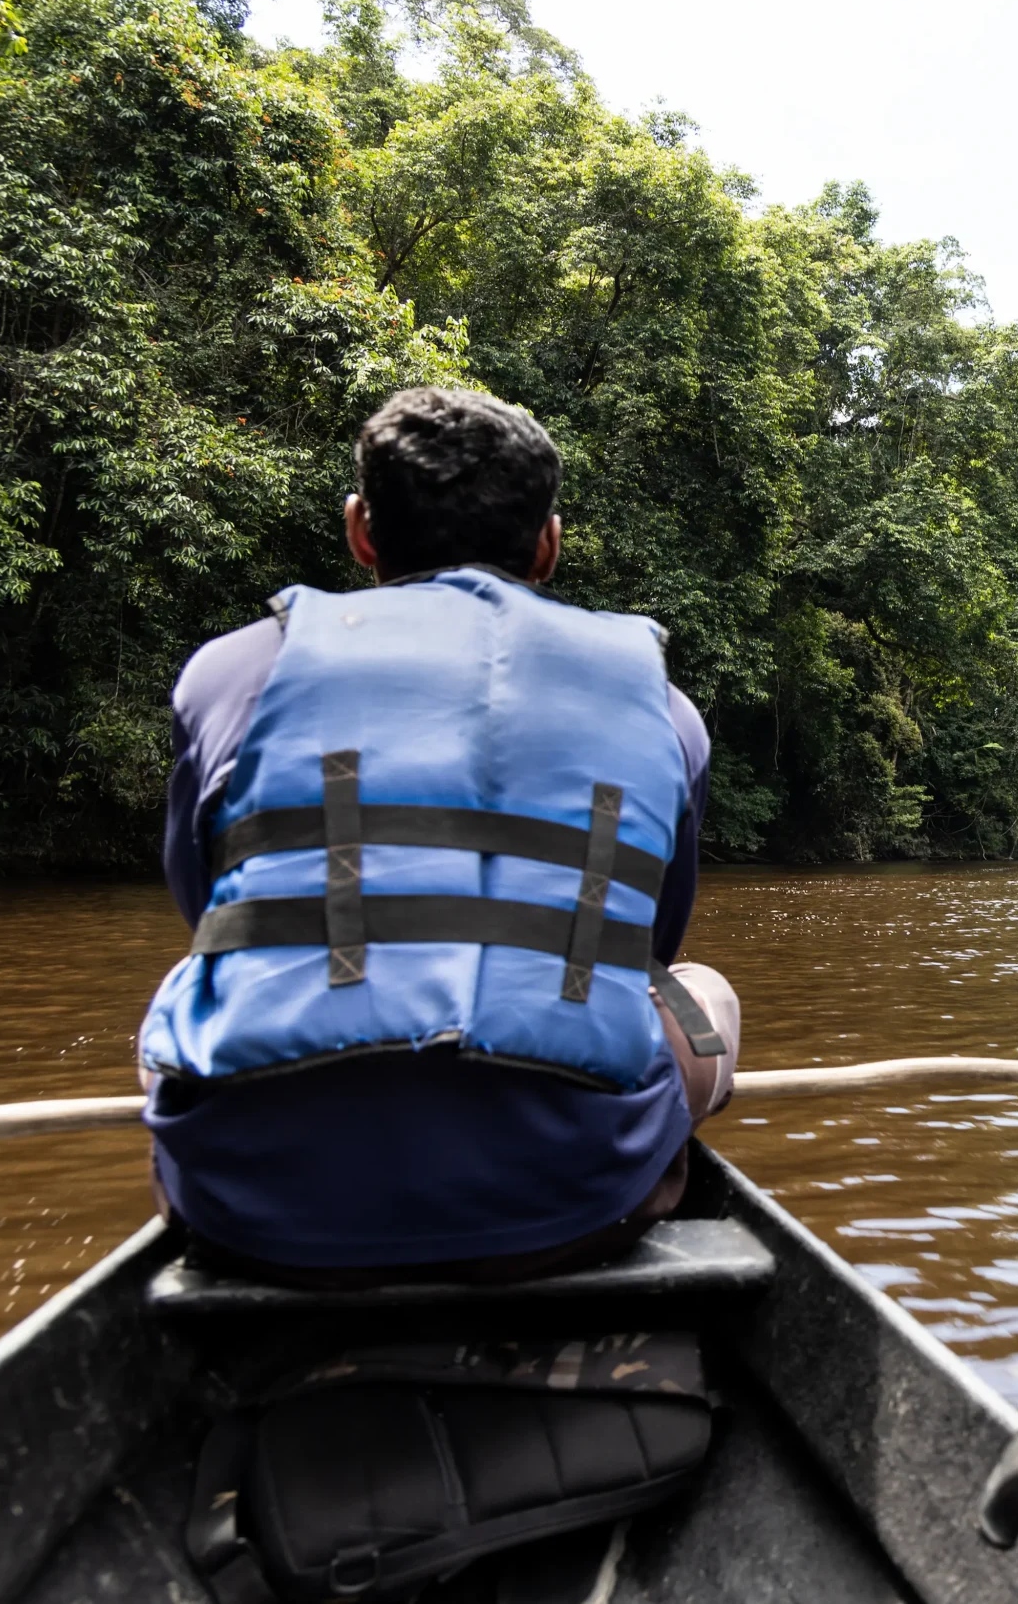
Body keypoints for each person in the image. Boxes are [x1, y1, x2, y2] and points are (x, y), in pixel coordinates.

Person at [138, 386, 738, 1284]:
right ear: (548, 545)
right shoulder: (662, 706)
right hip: (573, 1203)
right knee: (701, 991)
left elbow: (211, 910)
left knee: (186, 982)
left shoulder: (226, 675)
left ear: (361, 531)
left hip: (253, 1208)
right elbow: (645, 948)